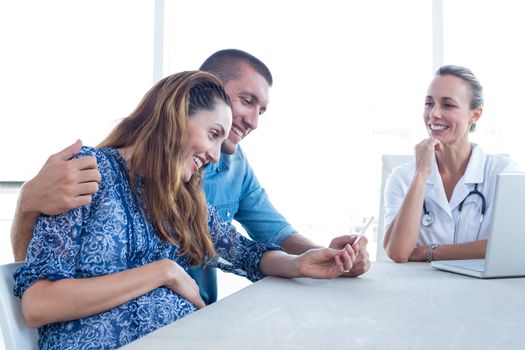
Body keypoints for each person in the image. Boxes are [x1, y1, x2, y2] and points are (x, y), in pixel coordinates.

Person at [13, 71, 359, 349]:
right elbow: (39, 304)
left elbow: (246, 253)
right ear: (176, 115)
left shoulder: (180, 197)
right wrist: (163, 271)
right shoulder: (87, 172)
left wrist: (300, 263)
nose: (214, 153)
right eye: (212, 134)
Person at [383, 65, 520, 263]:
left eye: (448, 105)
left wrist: (427, 252)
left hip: (484, 292)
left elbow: (511, 244)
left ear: (475, 114)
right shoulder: (402, 177)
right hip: (419, 292)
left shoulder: (504, 173)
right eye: (429, 103)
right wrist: (421, 173)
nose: (434, 114)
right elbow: (399, 252)